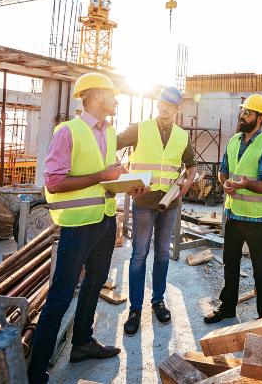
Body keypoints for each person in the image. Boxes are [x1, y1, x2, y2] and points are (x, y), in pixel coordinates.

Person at [27, 72, 123, 384]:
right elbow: (53, 182)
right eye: (112, 94)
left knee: (95, 283)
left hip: (105, 219)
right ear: (95, 97)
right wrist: (102, 176)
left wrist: (124, 183)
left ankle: (82, 343)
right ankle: (37, 370)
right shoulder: (67, 132)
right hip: (77, 226)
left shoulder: (109, 133)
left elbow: (107, 176)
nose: (116, 99)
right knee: (60, 296)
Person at [117, 86, 197, 336]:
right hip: (144, 202)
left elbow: (191, 166)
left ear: (176, 109)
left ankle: (158, 302)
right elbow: (110, 146)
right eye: (161, 103)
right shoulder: (140, 129)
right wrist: (126, 180)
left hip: (170, 204)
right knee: (139, 254)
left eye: (169, 105)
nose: (164, 108)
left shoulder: (182, 136)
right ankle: (135, 309)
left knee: (162, 253)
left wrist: (187, 183)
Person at [204, 94, 262, 324]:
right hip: (233, 215)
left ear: (260, 118)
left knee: (261, 270)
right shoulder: (234, 140)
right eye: (242, 111)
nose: (242, 115)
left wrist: (246, 184)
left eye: (248, 112)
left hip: (256, 220)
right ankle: (228, 308)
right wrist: (223, 181)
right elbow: (224, 169)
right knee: (230, 263)